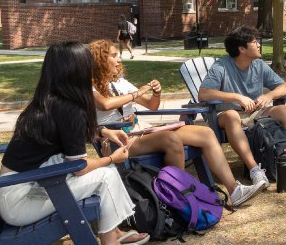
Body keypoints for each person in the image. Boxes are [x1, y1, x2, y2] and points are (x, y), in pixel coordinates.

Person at [0, 42, 152, 245]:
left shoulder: (51, 100)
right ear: (76, 70)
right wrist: (112, 159)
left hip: (28, 187)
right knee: (106, 175)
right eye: (87, 65)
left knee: (104, 173)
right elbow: (79, 166)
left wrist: (102, 132)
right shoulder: (68, 109)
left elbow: (63, 136)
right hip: (23, 200)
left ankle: (115, 232)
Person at [89, 39, 264, 207]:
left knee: (205, 133)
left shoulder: (120, 82)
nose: (119, 59)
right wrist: (138, 93)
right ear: (100, 60)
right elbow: (105, 104)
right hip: (117, 138)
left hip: (138, 130)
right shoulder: (90, 86)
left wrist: (156, 94)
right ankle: (180, 200)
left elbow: (152, 106)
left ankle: (235, 191)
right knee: (171, 139)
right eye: (113, 56)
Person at [198, 26, 286, 187]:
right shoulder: (222, 66)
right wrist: (235, 97)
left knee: (285, 110)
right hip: (226, 116)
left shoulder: (259, 65)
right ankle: (255, 170)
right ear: (242, 48)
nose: (259, 45)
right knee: (232, 115)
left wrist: (269, 95)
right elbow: (203, 94)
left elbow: (285, 87)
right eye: (254, 42)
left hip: (255, 114)